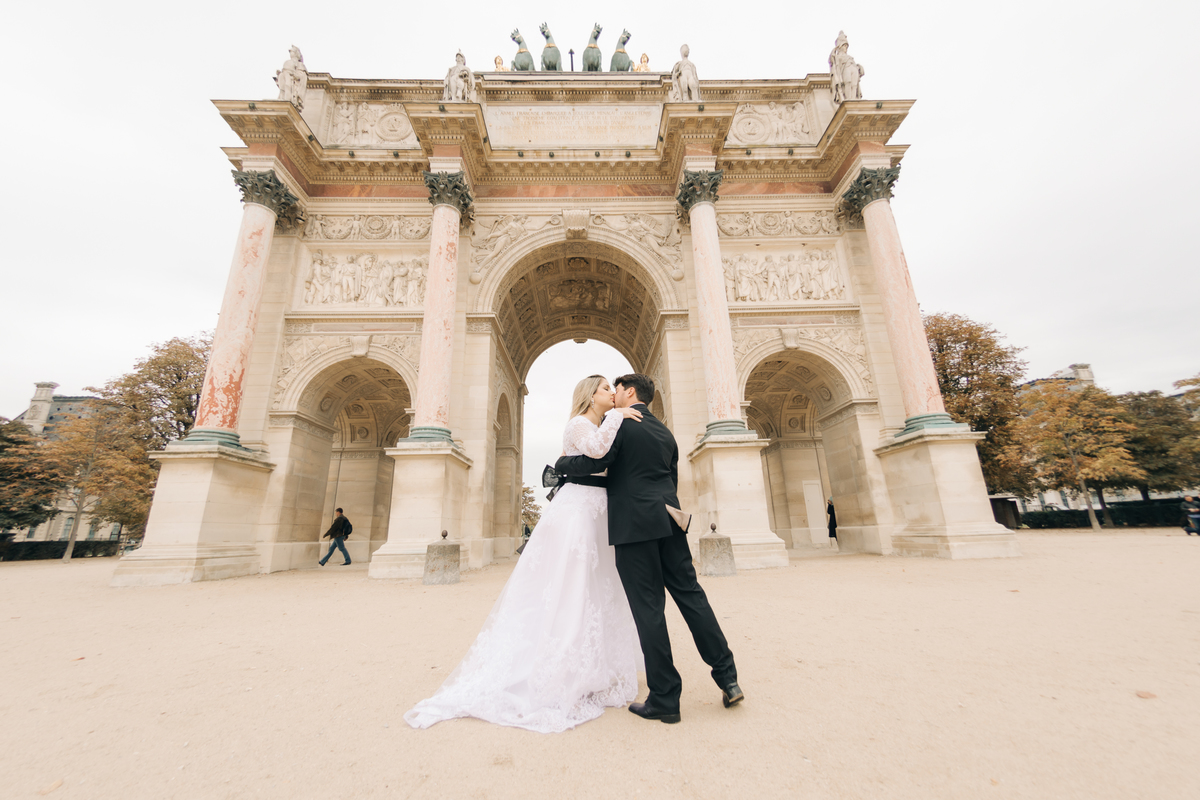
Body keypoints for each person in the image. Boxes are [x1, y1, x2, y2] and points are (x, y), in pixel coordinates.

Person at [405, 376, 645, 732]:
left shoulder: (602, 423)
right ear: (590, 395)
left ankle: (594, 667)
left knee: (599, 588)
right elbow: (596, 451)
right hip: (578, 510)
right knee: (574, 586)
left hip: (598, 509)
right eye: (606, 388)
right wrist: (617, 416)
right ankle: (564, 669)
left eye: (614, 389)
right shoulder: (580, 424)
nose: (613, 393)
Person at [556, 373, 742, 725]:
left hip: (634, 526)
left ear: (629, 392)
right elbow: (671, 478)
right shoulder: (665, 432)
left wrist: (562, 464)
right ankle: (727, 676)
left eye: (615, 389)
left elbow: (595, 463)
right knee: (692, 596)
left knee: (649, 608)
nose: (613, 396)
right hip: (670, 519)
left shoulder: (619, 424)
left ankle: (665, 697)